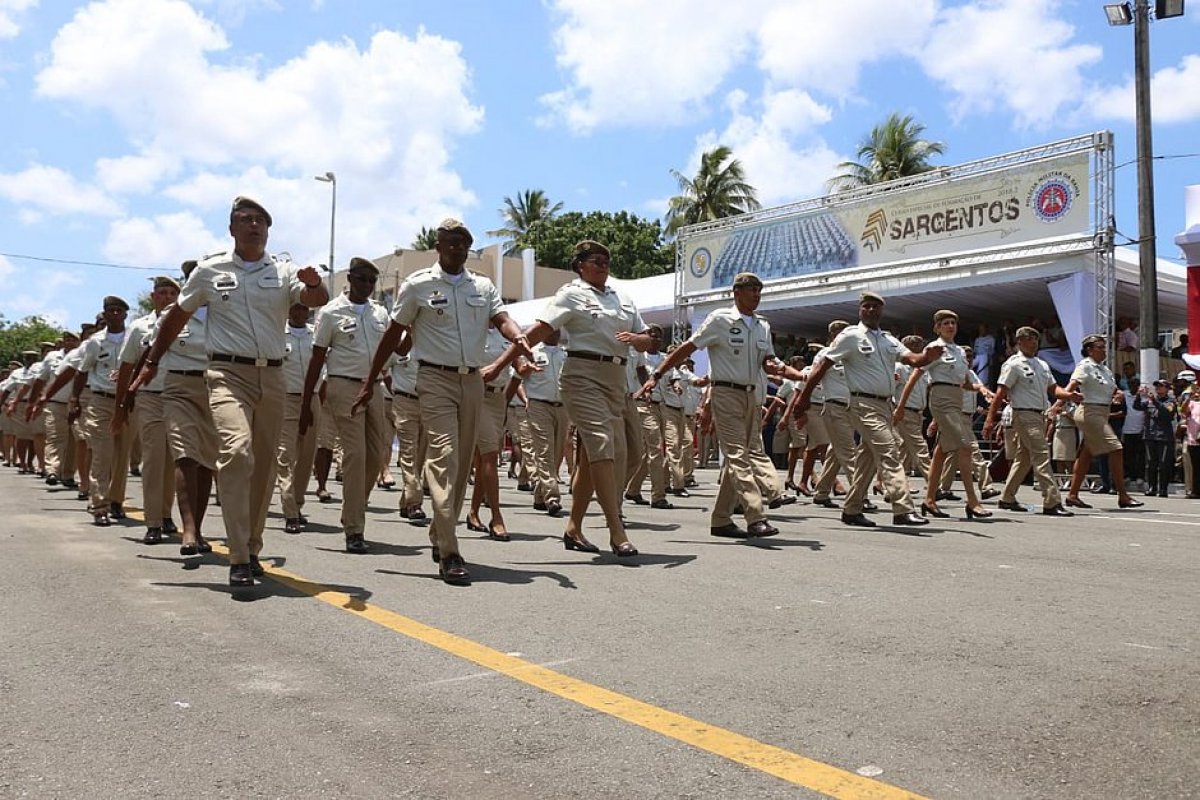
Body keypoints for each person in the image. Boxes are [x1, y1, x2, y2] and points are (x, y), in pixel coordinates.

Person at [134, 196, 329, 587]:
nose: (253, 225)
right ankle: (238, 555)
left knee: (263, 464)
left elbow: (315, 300)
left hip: (273, 376)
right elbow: (179, 314)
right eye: (245, 219)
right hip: (225, 373)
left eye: (260, 220)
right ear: (232, 228)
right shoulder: (210, 270)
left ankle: (253, 546)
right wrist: (152, 361)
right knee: (236, 452)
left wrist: (313, 284)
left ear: (268, 230)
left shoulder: (284, 270)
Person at [353, 218, 527, 586]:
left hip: (473, 380)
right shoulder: (418, 285)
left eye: (464, 243)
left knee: (463, 465)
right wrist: (371, 380)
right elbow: (393, 334)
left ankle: (439, 529)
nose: (457, 249)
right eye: (450, 242)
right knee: (444, 457)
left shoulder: (482, 286)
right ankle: (450, 550)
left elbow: (503, 319)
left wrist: (519, 337)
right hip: (433, 379)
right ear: (438, 245)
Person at [486, 239, 653, 555]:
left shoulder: (623, 297)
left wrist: (639, 339)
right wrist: (499, 364)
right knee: (604, 445)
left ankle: (573, 527)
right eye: (595, 260)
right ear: (580, 265)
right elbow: (536, 332)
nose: (603, 264)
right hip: (582, 375)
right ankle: (616, 529)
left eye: (607, 259)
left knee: (611, 455)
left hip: (616, 378)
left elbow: (646, 337)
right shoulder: (571, 294)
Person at [638, 272, 781, 538]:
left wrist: (779, 368)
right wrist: (657, 374)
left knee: (743, 455)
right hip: (725, 393)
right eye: (751, 290)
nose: (756, 295)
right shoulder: (720, 320)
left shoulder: (763, 326)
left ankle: (721, 520)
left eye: (759, 290)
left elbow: (768, 360)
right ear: (737, 292)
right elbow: (687, 349)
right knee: (738, 454)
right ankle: (755, 515)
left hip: (752, 396)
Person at [793, 292, 942, 527]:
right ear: (860, 310)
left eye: (875, 307)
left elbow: (911, 359)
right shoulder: (851, 336)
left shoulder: (888, 339)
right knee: (889, 449)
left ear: (882, 311)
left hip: (885, 404)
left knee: (867, 459)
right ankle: (902, 508)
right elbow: (822, 365)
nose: (871, 310)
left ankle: (852, 509)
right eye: (866, 307)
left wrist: (926, 356)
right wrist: (804, 397)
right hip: (862, 404)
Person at [300, 256, 391, 554]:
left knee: (376, 457)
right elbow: (317, 357)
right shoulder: (330, 312)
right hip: (343, 385)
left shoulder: (380, 313)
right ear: (349, 279)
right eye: (361, 278)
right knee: (355, 454)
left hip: (374, 387)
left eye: (371, 281)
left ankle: (354, 507)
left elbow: (396, 348)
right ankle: (354, 528)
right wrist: (307, 399)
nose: (366, 285)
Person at [38, 296, 132, 526]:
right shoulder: (94, 343)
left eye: (119, 310)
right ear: (103, 315)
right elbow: (80, 372)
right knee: (101, 452)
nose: (115, 314)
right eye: (110, 310)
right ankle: (99, 505)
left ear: (126, 315)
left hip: (130, 401)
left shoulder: (135, 337)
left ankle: (116, 500)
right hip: (101, 400)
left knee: (122, 456)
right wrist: (75, 400)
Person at [899, 310, 991, 520]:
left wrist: (981, 389)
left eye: (953, 323)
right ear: (937, 327)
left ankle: (929, 500)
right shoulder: (934, 348)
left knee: (941, 451)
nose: (950, 326)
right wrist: (901, 406)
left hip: (957, 398)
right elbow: (915, 375)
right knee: (965, 447)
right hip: (941, 398)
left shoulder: (959, 351)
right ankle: (972, 501)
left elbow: (966, 382)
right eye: (945, 323)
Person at [155, 259, 219, 557]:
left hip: (215, 387)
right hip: (179, 387)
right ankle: (189, 528)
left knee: (206, 461)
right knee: (184, 456)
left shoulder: (226, 313)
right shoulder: (171, 315)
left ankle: (199, 526)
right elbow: (152, 349)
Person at [982, 326, 1077, 516]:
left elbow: (1053, 388)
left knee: (1024, 458)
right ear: (1020, 342)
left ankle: (1007, 497)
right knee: (1041, 455)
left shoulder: (1041, 364)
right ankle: (1052, 501)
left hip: (1040, 415)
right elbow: (1001, 393)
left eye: (1036, 339)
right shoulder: (1013, 364)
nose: (1034, 342)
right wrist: (990, 418)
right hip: (1023, 414)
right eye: (1030, 339)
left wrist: (1068, 394)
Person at [113, 276, 180, 544]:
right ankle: (152, 521)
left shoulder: (187, 322)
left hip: (180, 394)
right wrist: (122, 404)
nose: (166, 297)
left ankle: (166, 513)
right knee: (153, 459)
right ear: (153, 298)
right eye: (161, 293)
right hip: (150, 397)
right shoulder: (140, 327)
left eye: (171, 292)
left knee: (174, 460)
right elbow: (127, 365)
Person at [1063, 334, 1143, 510]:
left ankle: (1072, 495)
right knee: (1116, 448)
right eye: (1099, 346)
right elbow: (1070, 388)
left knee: (1086, 453)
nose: (1103, 349)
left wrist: (1118, 393)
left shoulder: (1105, 370)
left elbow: (1114, 389)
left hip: (1103, 412)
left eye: (1104, 346)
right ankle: (1123, 495)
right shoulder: (1085, 366)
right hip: (1089, 411)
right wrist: (1057, 405)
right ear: (1089, 350)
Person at [277, 302, 319, 533]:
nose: (299, 312)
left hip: (312, 399)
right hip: (287, 398)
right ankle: (289, 510)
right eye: (294, 307)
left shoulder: (316, 335)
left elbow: (324, 367)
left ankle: (298, 503)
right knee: (285, 455)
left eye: (304, 308)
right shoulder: (277, 333)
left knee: (306, 456)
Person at [517, 330, 568, 517]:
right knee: (545, 451)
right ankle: (552, 498)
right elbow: (518, 377)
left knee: (557, 452)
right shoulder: (532, 352)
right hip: (539, 405)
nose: (554, 332)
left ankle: (540, 495)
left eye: (556, 328)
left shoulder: (565, 354)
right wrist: (525, 398)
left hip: (562, 407)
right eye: (550, 328)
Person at [387, 330, 427, 523]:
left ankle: (406, 500)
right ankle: (414, 503)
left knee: (421, 455)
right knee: (409, 452)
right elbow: (384, 368)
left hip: (428, 403)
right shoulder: (399, 341)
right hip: (404, 401)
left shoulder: (433, 342)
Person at [1134, 380, 1177, 498]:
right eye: (1157, 386)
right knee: (1150, 463)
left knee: (1163, 464)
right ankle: (1152, 487)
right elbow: (1137, 406)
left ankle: (1163, 489)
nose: (1158, 388)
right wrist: (1139, 395)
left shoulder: (1171, 402)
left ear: (1167, 389)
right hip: (1150, 436)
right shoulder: (1150, 402)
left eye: (1161, 386)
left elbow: (1166, 414)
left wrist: (1155, 401)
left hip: (1164, 437)